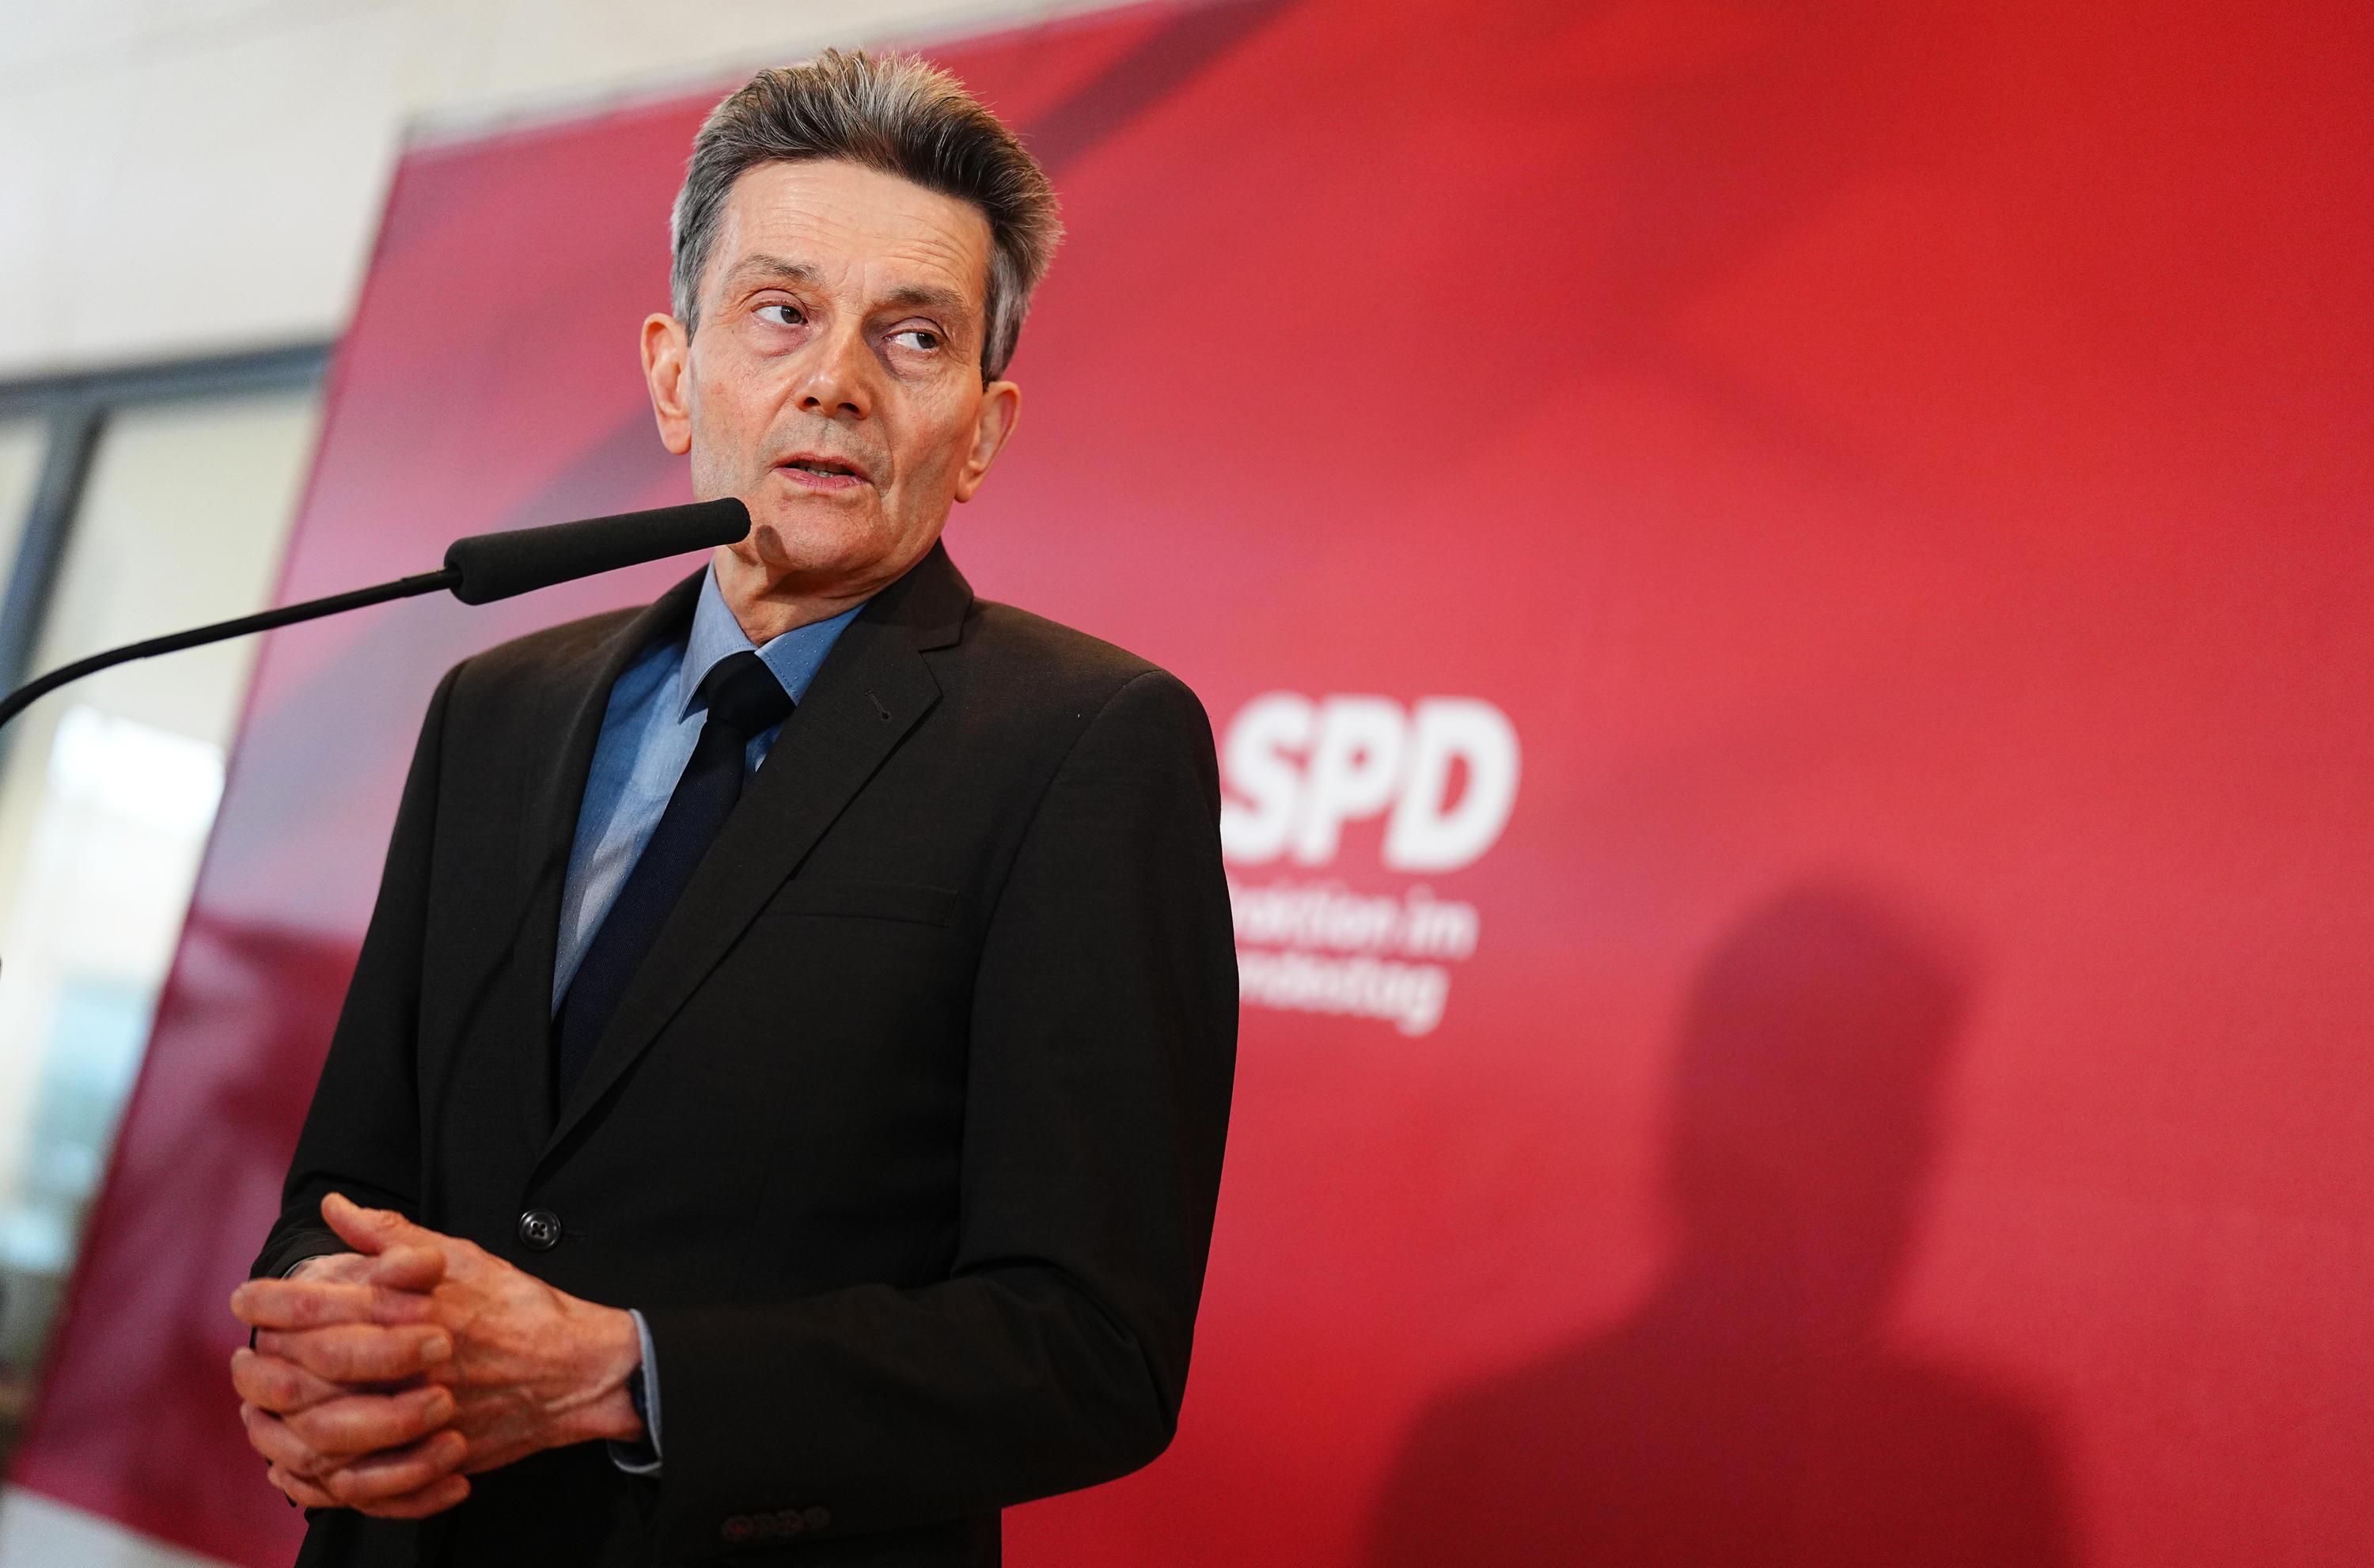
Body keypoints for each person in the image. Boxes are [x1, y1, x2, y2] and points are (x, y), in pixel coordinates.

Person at [225, 49, 1238, 1568]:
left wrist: (622, 1375)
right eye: (780, 313)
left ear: (982, 431)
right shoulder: (494, 709)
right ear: (670, 371)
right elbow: (348, 1179)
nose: (836, 381)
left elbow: (1090, 1347)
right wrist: (319, 1333)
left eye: (914, 336)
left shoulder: (1089, 746)